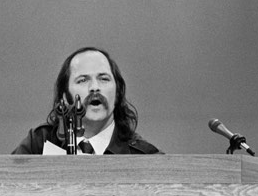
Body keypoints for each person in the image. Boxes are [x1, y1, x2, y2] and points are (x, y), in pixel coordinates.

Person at [12, 47, 163, 155]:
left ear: (117, 93)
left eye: (104, 79)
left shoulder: (143, 157)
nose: (95, 88)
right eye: (83, 80)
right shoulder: (38, 144)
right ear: (65, 97)